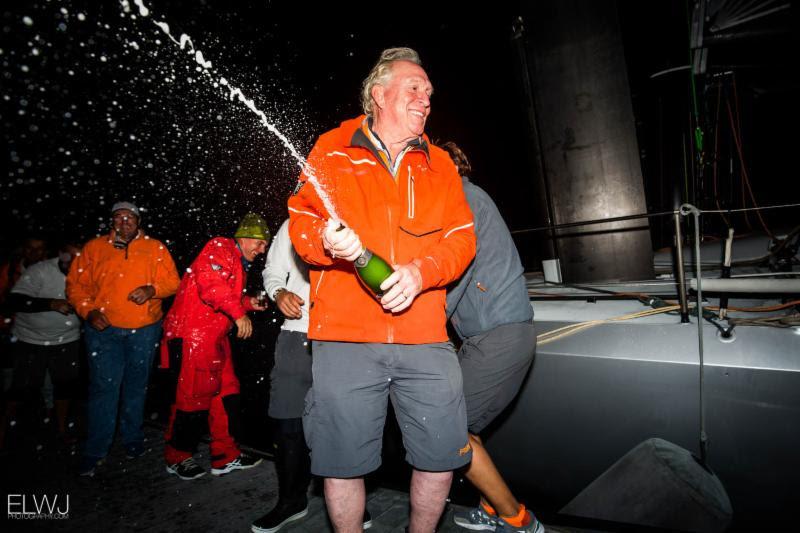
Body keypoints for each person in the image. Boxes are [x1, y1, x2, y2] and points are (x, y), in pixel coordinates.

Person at [287, 47, 476, 533]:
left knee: (440, 454)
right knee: (341, 460)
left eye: (429, 92)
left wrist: (420, 272)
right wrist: (327, 242)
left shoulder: (440, 165)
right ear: (379, 94)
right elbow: (302, 221)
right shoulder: (331, 148)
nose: (425, 99)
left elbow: (461, 239)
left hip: (425, 335)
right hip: (346, 338)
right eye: (414, 88)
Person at [441, 142, 543, 533]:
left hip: (499, 336)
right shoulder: (468, 197)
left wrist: (422, 328)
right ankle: (490, 506)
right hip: (491, 337)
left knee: (448, 428)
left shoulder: (463, 200)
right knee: (463, 428)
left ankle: (519, 521)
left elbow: (451, 275)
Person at [66, 202, 180, 477]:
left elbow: (174, 282)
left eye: (130, 218)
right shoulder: (94, 248)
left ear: (138, 222)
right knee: (104, 389)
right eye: (119, 217)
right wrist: (88, 311)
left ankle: (132, 439)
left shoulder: (155, 248)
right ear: (111, 222)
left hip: (144, 330)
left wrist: (152, 289)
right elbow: (75, 286)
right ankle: (96, 450)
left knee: (136, 386)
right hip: (103, 333)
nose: (125, 222)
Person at [161, 213, 270, 480]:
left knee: (226, 396)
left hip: (215, 339)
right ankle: (177, 456)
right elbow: (209, 284)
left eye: (265, 245)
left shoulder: (239, 264)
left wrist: (246, 304)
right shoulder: (220, 246)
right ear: (245, 238)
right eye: (260, 243)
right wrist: (238, 312)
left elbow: (225, 295)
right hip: (192, 336)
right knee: (192, 399)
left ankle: (225, 456)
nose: (263, 250)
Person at [1, 240, 81, 449]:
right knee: (19, 388)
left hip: (67, 339)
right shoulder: (40, 270)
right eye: (69, 255)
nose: (73, 260)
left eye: (79, 255)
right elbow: (14, 301)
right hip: (31, 339)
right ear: (59, 252)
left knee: (64, 387)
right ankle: (5, 431)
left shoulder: (87, 271)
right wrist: (50, 303)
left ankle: (62, 430)